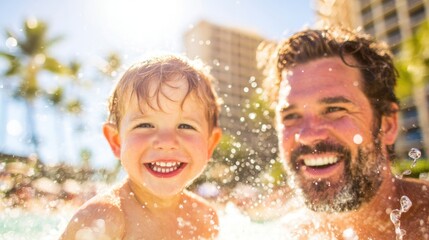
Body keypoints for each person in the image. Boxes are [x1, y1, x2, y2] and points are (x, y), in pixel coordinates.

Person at [258, 26, 429, 239]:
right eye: (291, 116)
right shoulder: (286, 234)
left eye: (334, 109)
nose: (308, 135)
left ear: (388, 125)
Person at [60, 54, 222, 240]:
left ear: (210, 144)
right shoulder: (102, 220)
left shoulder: (205, 218)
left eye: (186, 126)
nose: (166, 142)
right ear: (116, 141)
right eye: (144, 125)